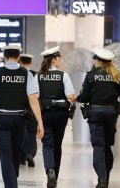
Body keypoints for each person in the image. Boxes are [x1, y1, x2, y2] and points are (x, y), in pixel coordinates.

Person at [0, 45, 44, 188]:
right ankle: (12, 183)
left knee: (5, 154)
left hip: (1, 119)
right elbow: (33, 99)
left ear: (4, 57)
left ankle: (11, 182)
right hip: (20, 119)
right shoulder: (26, 74)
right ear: (18, 57)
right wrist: (40, 122)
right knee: (15, 153)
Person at [74, 48, 120, 188]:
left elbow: (84, 97)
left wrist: (76, 98)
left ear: (99, 61)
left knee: (98, 146)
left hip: (95, 115)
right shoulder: (116, 75)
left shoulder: (91, 76)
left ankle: (102, 180)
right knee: (106, 146)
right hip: (111, 115)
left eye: (95, 60)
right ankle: (106, 177)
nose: (94, 62)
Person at [36, 46, 75, 188]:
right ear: (53, 60)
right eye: (59, 58)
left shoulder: (38, 76)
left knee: (47, 144)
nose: (61, 60)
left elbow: (35, 97)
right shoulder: (63, 75)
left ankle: (50, 171)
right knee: (57, 145)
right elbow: (70, 96)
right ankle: (55, 176)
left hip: (45, 113)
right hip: (61, 114)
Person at [19, 53, 38, 167]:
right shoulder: (35, 75)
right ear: (30, 62)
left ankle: (22, 155)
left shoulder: (18, 73)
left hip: (19, 106)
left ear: (20, 61)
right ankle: (30, 153)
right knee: (32, 131)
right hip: (32, 107)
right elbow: (37, 93)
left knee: (21, 131)